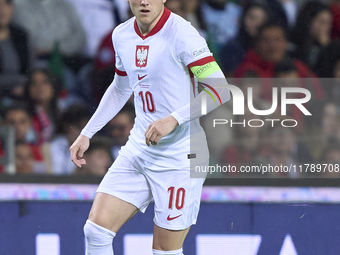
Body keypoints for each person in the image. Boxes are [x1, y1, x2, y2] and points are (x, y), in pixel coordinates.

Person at [69, 0, 230, 254]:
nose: (145, 1)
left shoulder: (182, 33)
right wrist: (87, 132)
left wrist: (173, 119)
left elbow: (220, 90)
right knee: (95, 231)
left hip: (180, 156)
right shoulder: (122, 34)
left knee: (164, 250)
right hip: (139, 149)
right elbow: (121, 87)